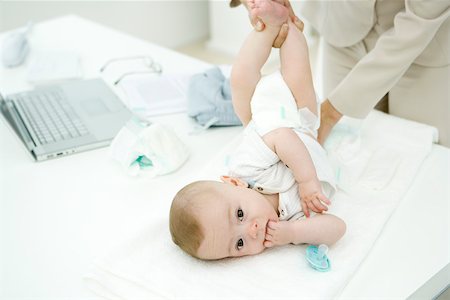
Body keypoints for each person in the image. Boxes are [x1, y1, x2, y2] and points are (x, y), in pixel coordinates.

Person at [170, 0, 346, 260]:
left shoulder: (246, 171)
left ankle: (269, 27)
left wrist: (307, 181)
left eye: (239, 214)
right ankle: (288, 26)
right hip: (305, 126)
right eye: (238, 244)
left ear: (233, 183)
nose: (251, 231)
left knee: (241, 76)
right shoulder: (292, 219)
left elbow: (281, 136)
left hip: (275, 122)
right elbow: (337, 229)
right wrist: (293, 232)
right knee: (297, 72)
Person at [231, 0, 450, 146]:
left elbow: (422, 19)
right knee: (336, 137)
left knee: (419, 150)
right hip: (343, 24)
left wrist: (332, 111)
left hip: (426, 43)